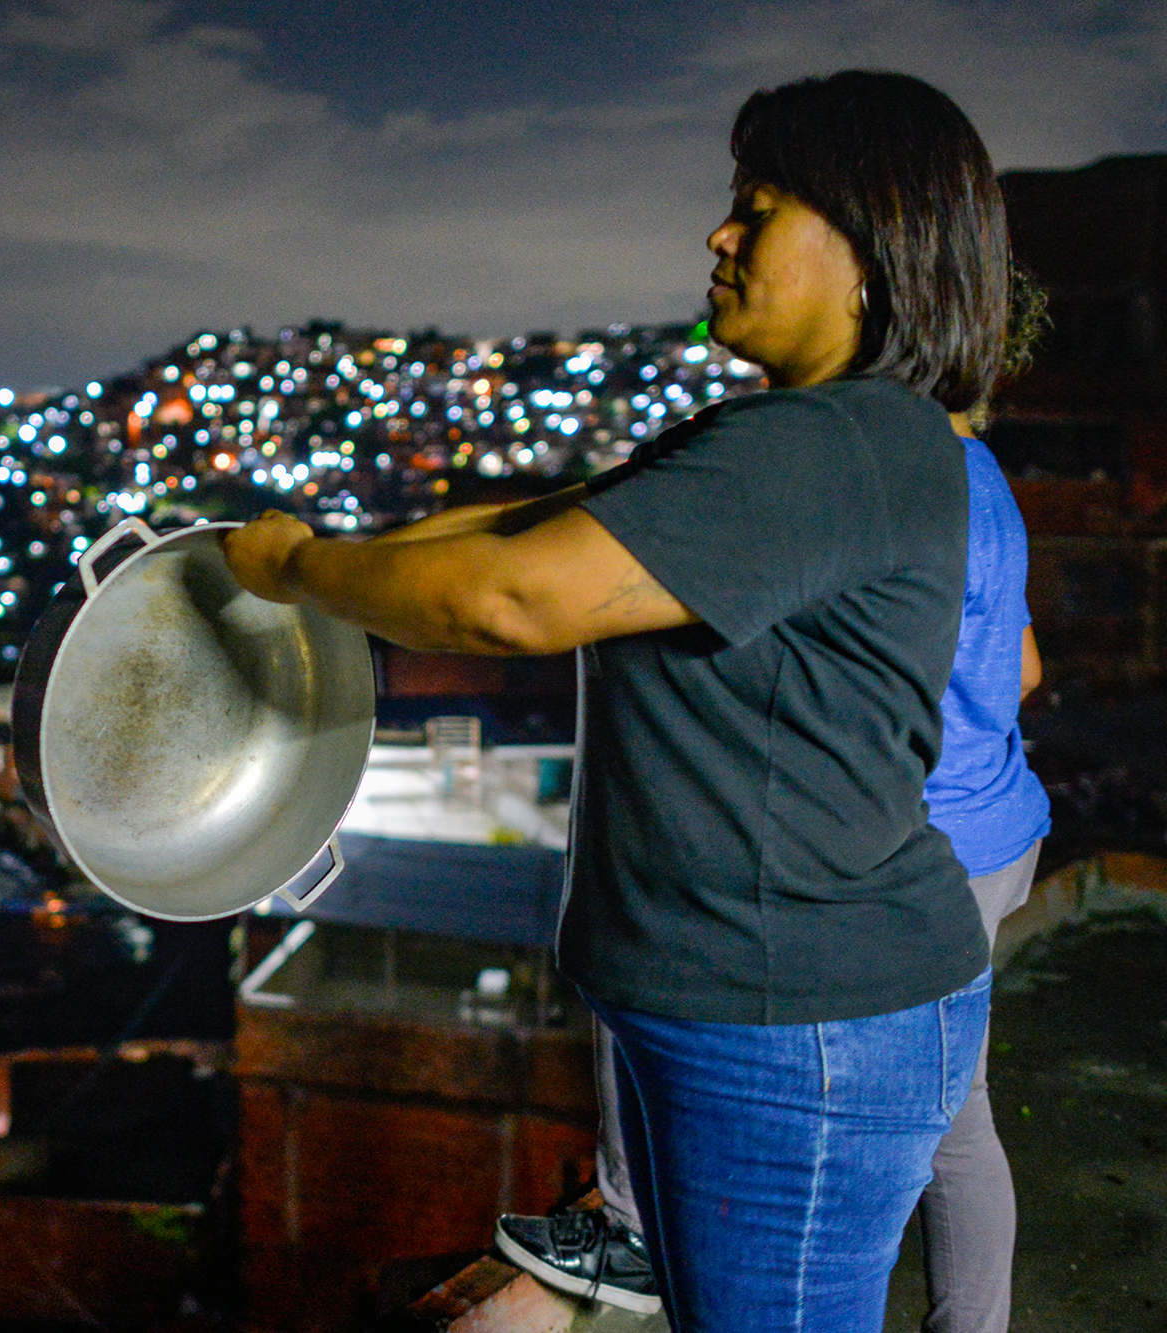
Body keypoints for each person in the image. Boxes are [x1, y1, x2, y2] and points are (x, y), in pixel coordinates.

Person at [223, 70, 1012, 1332]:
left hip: (795, 1028)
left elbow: (509, 600)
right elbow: (512, 527)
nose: (718, 237)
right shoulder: (780, 441)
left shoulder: (822, 449)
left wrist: (295, 572)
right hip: (747, 1012)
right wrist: (347, 559)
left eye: (759, 211)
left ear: (873, 251)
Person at [494, 409, 1051, 1332]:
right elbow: (1021, 668)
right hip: (999, 825)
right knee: (960, 1120)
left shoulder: (869, 483)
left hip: (921, 842)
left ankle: (631, 1231)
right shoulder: (979, 474)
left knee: (933, 1123)